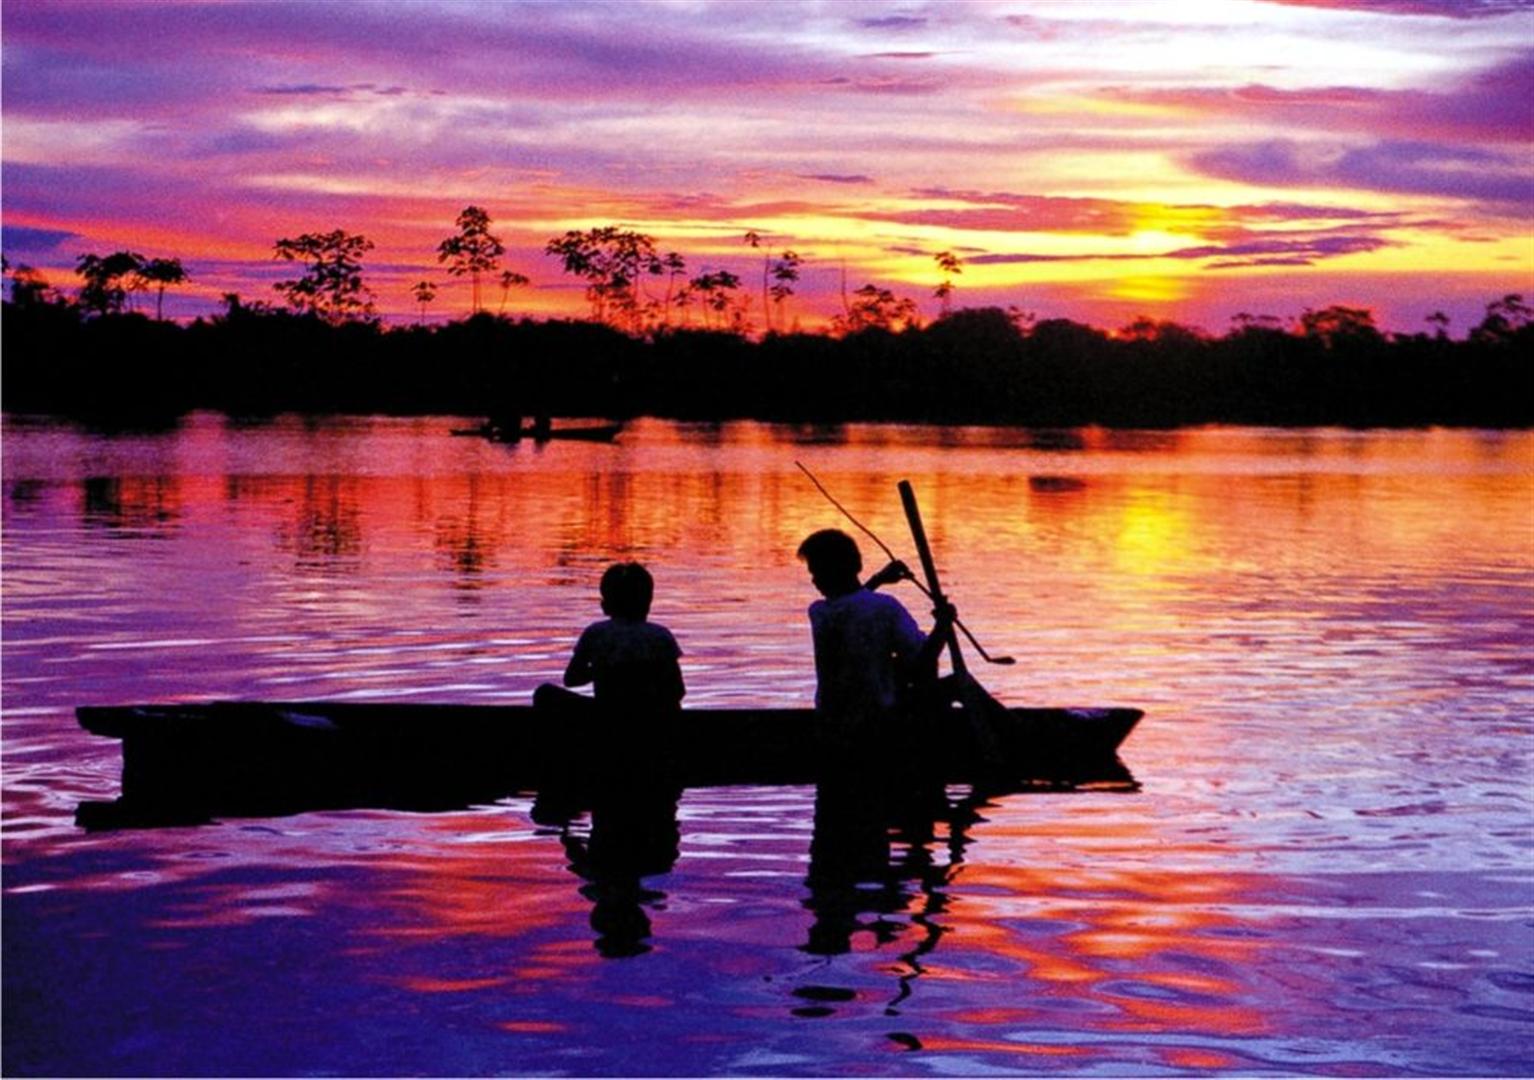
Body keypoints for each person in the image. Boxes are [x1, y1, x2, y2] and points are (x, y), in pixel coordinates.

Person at [796, 529, 954, 734]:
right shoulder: (885, 608)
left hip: (832, 720)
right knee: (957, 684)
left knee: (897, 668)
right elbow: (923, 664)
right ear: (856, 566)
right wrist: (943, 625)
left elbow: (853, 606)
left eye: (818, 573)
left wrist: (878, 580)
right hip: (879, 722)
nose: (814, 581)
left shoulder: (820, 613)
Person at [535, 562, 685, 716]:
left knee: (544, 693)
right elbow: (677, 690)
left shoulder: (595, 633)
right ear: (648, 603)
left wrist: (603, 670)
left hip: (605, 712)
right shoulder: (660, 635)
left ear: (605, 605)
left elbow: (571, 679)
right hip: (650, 713)